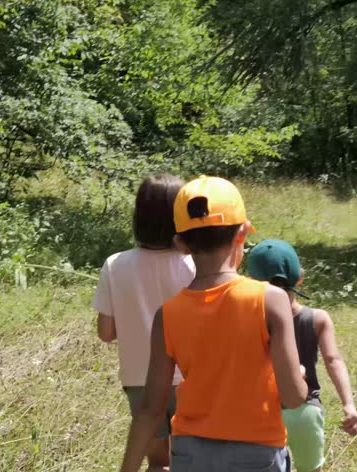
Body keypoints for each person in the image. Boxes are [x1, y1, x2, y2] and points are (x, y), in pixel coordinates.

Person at [120, 176, 308, 472]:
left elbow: (151, 410)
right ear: (243, 233)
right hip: (257, 451)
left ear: (181, 243)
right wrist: (298, 374)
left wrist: (127, 469)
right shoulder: (270, 300)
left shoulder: (166, 314)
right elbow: (295, 397)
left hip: (190, 453)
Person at [93, 174, 196, 472]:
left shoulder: (115, 265)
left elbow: (106, 333)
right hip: (190, 377)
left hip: (139, 379)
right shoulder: (194, 265)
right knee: (189, 460)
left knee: (158, 463)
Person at [247, 239, 357, 472]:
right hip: (305, 411)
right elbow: (333, 360)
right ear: (300, 276)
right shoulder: (317, 318)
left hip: (262, 411)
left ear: (251, 282)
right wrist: (348, 404)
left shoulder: (249, 319)